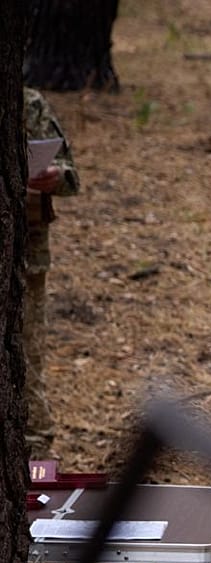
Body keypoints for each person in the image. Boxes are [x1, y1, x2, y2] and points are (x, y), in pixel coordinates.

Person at [22, 87, 81, 458]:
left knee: (25, 365)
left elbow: (71, 177)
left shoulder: (26, 104)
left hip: (24, 261)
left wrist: (55, 175)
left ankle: (35, 462)